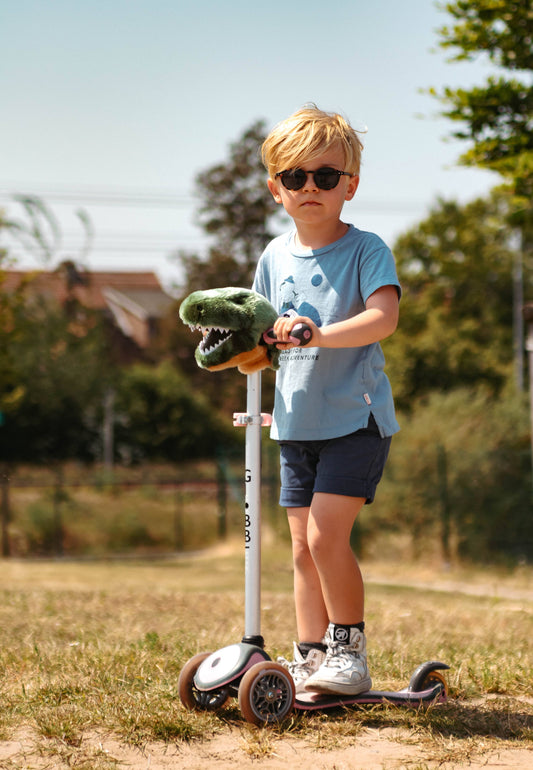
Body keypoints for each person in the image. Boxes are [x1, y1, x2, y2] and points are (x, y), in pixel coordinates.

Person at [252, 105, 401, 696]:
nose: (310, 187)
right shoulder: (273, 257)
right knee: (298, 548)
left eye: (326, 176)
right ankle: (309, 657)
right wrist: (251, 342)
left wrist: (319, 333)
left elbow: (382, 318)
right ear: (276, 189)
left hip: (354, 420)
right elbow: (261, 337)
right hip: (296, 422)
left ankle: (349, 652)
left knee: (324, 537)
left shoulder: (366, 249)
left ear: (350, 186)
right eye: (295, 177)